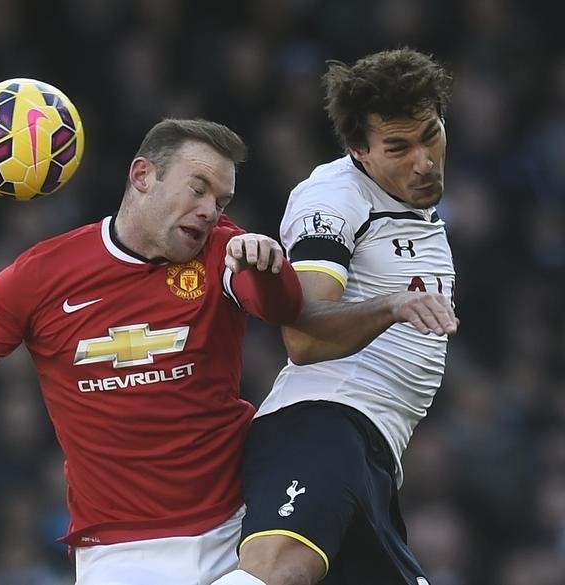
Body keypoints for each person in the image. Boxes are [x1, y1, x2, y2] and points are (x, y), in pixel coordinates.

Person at [0, 118, 305, 585]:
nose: (209, 210)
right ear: (142, 176)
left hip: (240, 527)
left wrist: (270, 267)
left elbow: (281, 307)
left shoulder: (225, 249)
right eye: (198, 188)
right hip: (122, 555)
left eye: (221, 200)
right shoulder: (39, 277)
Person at [212, 48, 459, 585]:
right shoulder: (335, 198)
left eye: (430, 134)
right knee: (276, 573)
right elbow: (302, 333)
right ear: (359, 150)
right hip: (324, 421)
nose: (424, 160)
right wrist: (392, 306)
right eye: (398, 147)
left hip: (372, 454)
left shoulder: (410, 207)